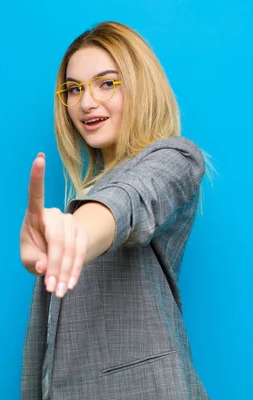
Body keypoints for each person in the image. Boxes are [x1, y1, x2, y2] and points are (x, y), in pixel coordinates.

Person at [19, 21, 212, 400]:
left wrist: (80, 234)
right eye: (74, 89)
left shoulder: (176, 158)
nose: (87, 103)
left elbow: (132, 201)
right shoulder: (71, 211)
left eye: (106, 83)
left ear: (141, 85)